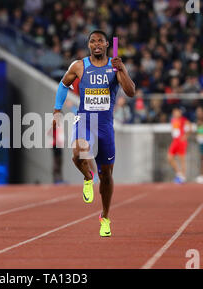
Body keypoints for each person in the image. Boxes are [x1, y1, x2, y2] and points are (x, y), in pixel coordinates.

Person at [52, 30, 135, 237]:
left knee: (106, 176)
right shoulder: (79, 66)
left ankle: (105, 217)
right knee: (78, 152)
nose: (96, 44)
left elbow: (131, 91)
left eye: (100, 41)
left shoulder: (114, 67)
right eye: (92, 41)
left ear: (107, 44)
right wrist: (57, 109)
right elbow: (63, 84)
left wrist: (122, 69)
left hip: (105, 126)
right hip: (85, 121)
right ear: (88, 45)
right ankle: (87, 177)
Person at [167, 106, 192, 184]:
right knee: (169, 157)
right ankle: (179, 173)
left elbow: (190, 128)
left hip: (181, 141)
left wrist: (185, 136)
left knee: (182, 159)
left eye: (176, 112)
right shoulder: (173, 120)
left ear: (180, 113)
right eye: (174, 112)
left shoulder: (184, 120)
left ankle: (183, 176)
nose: (175, 113)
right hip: (175, 141)